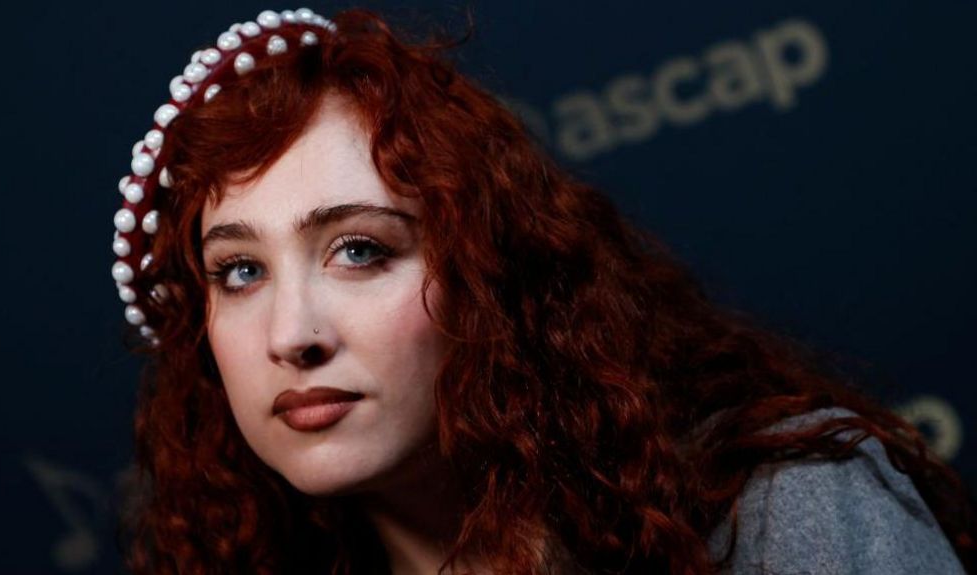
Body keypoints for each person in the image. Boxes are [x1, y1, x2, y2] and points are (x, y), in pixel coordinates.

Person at [109, 7, 975, 574]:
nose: (291, 333)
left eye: (361, 250)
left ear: (484, 272)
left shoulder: (787, 511)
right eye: (240, 270)